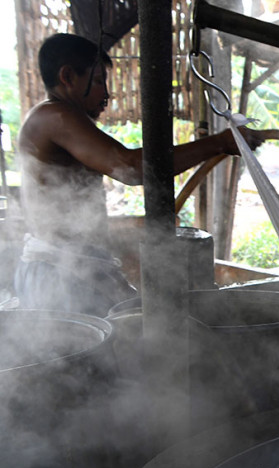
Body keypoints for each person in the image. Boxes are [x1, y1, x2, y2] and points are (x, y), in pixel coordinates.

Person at [14, 33, 266, 317]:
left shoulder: (51, 118)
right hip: (60, 276)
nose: (106, 94)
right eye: (97, 81)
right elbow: (131, 168)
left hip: (75, 268)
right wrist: (219, 143)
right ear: (68, 77)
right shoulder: (55, 117)